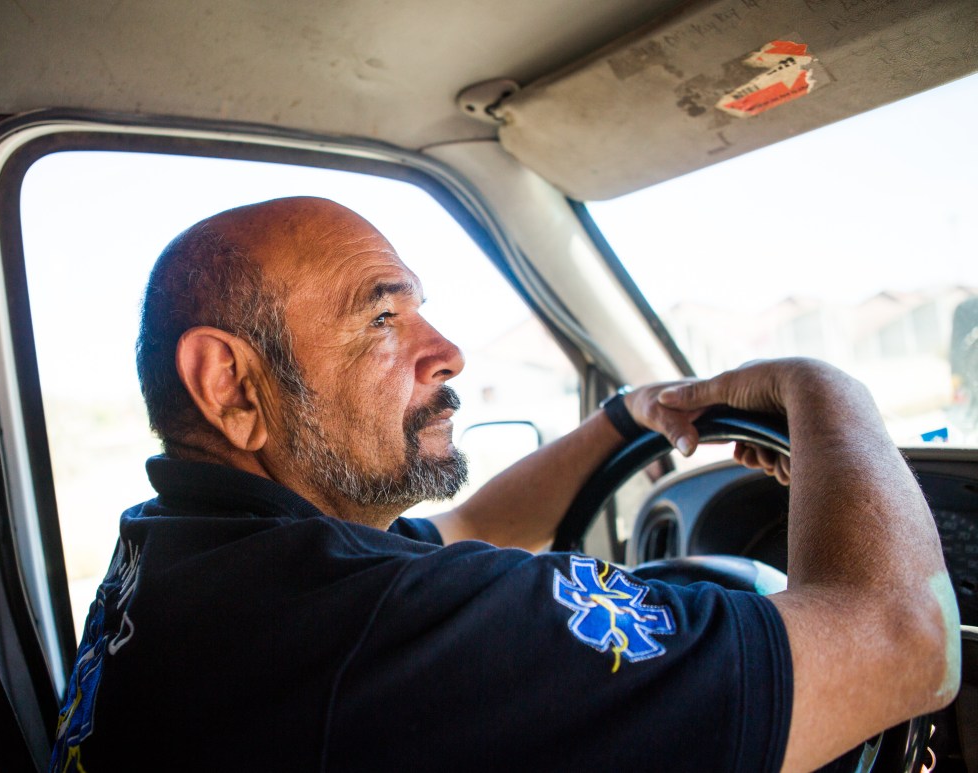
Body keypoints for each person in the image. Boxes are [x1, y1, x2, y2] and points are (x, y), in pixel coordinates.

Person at [51, 197, 959, 772]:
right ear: (231, 385)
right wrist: (825, 390)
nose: (444, 350)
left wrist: (629, 416)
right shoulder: (371, 634)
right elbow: (911, 644)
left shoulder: (194, 554)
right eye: (382, 315)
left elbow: (479, 522)